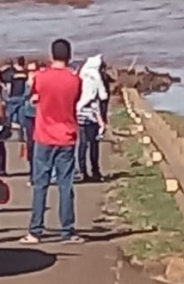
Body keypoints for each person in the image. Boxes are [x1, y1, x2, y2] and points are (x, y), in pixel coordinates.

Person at [21, 39, 83, 245]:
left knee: (41, 185)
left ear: (51, 55)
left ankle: (35, 230)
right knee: (66, 185)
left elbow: (32, 94)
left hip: (44, 135)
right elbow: (75, 101)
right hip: (66, 135)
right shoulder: (75, 80)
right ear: (69, 56)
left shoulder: (41, 77)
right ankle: (68, 230)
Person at [75, 55, 108, 182]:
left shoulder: (82, 74)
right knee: (93, 144)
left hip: (79, 114)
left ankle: (82, 171)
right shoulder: (95, 77)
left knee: (82, 145)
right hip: (92, 115)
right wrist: (101, 120)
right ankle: (95, 171)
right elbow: (101, 96)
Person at [20, 61, 40, 183]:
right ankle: (32, 174)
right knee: (31, 146)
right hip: (28, 116)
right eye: (29, 71)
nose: (31, 73)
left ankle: (39, 174)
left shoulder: (41, 82)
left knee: (41, 146)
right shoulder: (26, 83)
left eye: (33, 70)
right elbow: (24, 97)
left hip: (39, 116)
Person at [3, 57, 28, 135]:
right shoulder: (25, 73)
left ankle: (7, 132)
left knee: (8, 116)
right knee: (21, 118)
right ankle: (22, 135)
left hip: (13, 97)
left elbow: (9, 86)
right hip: (22, 97)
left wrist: (7, 95)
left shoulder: (11, 73)